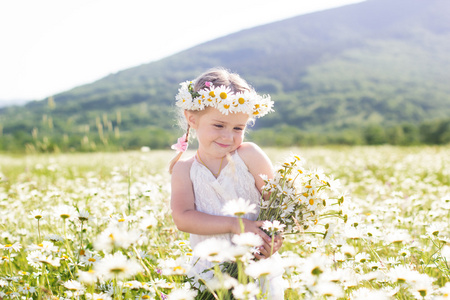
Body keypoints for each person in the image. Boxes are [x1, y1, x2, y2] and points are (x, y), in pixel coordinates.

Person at [169, 67, 284, 299]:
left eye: (238, 128)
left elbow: (278, 207)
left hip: (257, 267)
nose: (228, 136)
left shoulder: (250, 156)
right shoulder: (184, 169)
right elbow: (183, 218)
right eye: (219, 125)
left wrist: (275, 239)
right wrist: (235, 225)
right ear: (192, 119)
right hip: (209, 270)